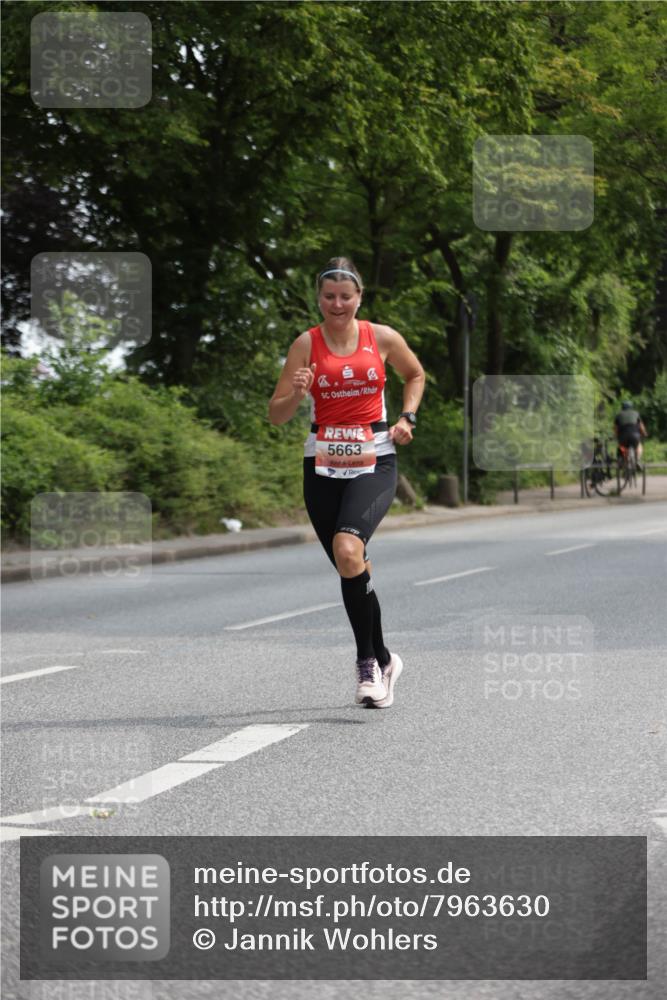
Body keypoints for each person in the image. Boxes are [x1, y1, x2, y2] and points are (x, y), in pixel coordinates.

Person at [269, 257, 425, 708]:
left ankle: (367, 666)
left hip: (374, 459)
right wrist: (297, 394)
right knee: (351, 565)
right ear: (319, 298)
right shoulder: (305, 344)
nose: (337, 304)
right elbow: (275, 416)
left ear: (359, 298)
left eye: (345, 296)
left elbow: (415, 374)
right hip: (320, 465)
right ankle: (386, 658)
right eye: (328, 296)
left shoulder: (382, 337)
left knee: (348, 549)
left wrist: (407, 416)